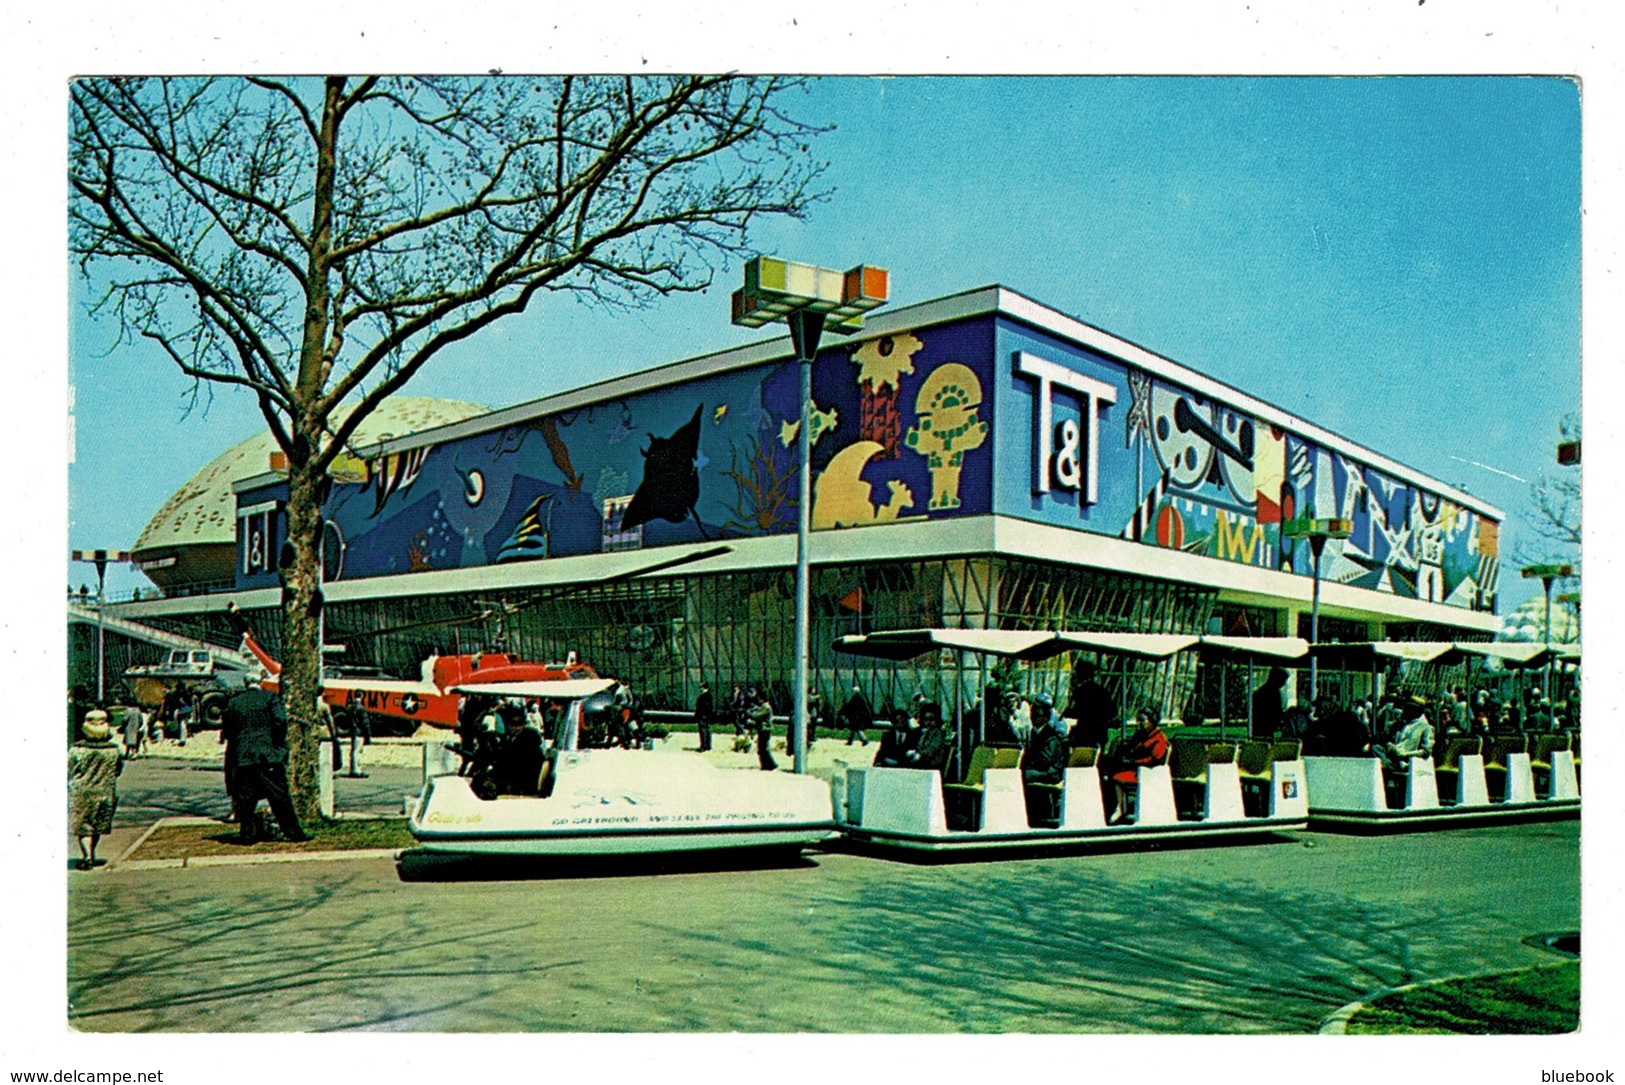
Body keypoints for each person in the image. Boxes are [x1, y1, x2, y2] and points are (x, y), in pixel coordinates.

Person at [219, 687, 308, 843]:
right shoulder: (270, 698)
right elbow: (280, 722)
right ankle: (293, 832)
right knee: (279, 796)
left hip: (243, 755)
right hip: (267, 755)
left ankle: (247, 833)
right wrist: (277, 744)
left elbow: (227, 731)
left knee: (246, 797)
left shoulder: (233, 703)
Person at [69, 710, 124, 870]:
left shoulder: (77, 749)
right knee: (97, 826)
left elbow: (68, 768)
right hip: (104, 792)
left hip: (80, 792)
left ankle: (87, 856)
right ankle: (91, 853)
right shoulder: (113, 751)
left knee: (84, 827)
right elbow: (118, 770)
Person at [1099, 707, 1170, 825]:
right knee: (1108, 770)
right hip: (1134, 766)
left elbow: (1154, 759)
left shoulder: (1159, 738)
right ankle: (1113, 807)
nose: (1139, 723)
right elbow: (1130, 748)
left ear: (1151, 720)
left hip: (1147, 771)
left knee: (1116, 777)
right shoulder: (1140, 735)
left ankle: (1119, 808)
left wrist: (1133, 762)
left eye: (1142, 720)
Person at [1374, 697, 1435, 773]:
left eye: (1408, 708)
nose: (1404, 710)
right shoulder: (1400, 724)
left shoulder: (1425, 727)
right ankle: (1387, 765)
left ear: (1417, 711)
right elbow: (1388, 739)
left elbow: (1426, 751)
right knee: (1375, 748)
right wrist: (1389, 744)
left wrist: (1405, 754)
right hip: (1393, 756)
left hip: (1408, 760)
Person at [1066, 661, 1113, 751]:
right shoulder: (1102, 691)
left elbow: (1080, 712)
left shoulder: (1081, 692)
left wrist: (1069, 712)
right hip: (1100, 733)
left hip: (1086, 733)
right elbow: (1112, 711)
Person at [1251, 668, 1288, 737]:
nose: (1283, 683)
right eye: (1282, 680)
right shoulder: (1271, 692)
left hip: (1262, 726)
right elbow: (1275, 710)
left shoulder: (1261, 691)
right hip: (1265, 726)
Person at [748, 688, 777, 771]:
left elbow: (756, 716)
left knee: (763, 749)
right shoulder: (764, 707)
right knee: (762, 748)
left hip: (765, 730)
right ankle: (766, 765)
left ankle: (770, 764)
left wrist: (748, 713)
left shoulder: (766, 707)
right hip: (762, 729)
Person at [693, 681, 715, 752]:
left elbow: (700, 707)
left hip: (702, 715)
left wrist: (697, 714)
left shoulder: (702, 697)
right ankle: (708, 745)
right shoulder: (710, 696)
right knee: (707, 730)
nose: (700, 689)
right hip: (708, 715)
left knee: (703, 731)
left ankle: (703, 746)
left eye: (701, 687)